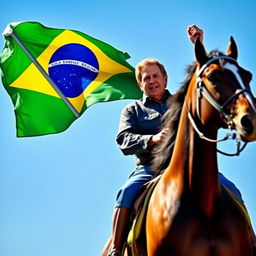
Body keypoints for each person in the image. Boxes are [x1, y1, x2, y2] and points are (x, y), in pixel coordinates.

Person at [106, 25, 244, 256]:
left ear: (165, 78)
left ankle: (251, 242)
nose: (152, 81)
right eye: (146, 78)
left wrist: (198, 45)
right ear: (140, 84)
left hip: (187, 168)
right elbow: (123, 139)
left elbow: (206, 83)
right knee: (126, 191)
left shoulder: (180, 103)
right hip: (149, 169)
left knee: (232, 190)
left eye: (155, 76)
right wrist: (151, 139)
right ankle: (116, 249)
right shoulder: (132, 110)